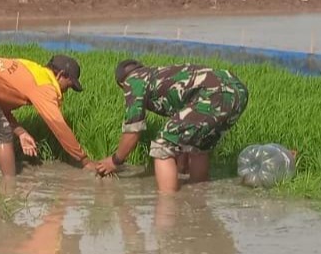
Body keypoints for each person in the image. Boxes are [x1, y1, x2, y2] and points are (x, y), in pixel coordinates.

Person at [96, 59, 249, 192]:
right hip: (238, 91)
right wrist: (181, 163)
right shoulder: (157, 75)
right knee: (199, 146)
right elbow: (184, 128)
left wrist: (114, 161)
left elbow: (133, 131)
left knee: (162, 145)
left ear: (121, 83)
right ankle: (198, 195)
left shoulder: (133, 81)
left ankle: (168, 206)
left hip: (213, 93)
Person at [0, 55, 98, 180]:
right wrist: (84, 160)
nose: (66, 91)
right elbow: (58, 126)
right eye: (69, 85)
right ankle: (9, 188)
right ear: (60, 75)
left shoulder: (31, 71)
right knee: (3, 135)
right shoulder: (44, 85)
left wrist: (22, 133)